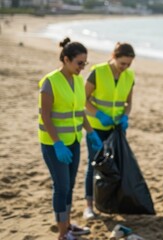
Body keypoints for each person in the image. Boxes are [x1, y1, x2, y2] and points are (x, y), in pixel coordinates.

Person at [39, 37, 103, 240]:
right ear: (66, 59)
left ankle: (67, 226)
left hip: (74, 141)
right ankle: (62, 233)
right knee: (61, 187)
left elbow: (79, 111)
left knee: (70, 184)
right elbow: (45, 115)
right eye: (79, 63)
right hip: (54, 144)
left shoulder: (77, 80)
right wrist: (57, 143)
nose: (82, 67)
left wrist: (91, 131)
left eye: (85, 63)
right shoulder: (50, 82)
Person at [83, 42, 136, 219]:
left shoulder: (129, 76)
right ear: (113, 57)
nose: (125, 67)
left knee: (116, 166)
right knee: (95, 165)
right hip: (96, 128)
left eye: (129, 64)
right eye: (122, 63)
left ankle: (110, 202)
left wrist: (125, 117)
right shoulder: (97, 72)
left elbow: (128, 104)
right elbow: (83, 99)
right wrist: (98, 114)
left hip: (117, 129)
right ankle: (89, 206)